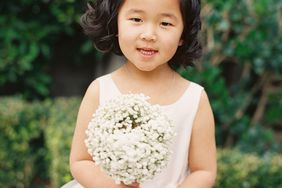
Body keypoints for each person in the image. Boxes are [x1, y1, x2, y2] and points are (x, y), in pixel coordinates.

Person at [63, 0, 217, 187]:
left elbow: (204, 171)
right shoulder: (100, 90)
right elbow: (81, 161)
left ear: (183, 35)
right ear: (116, 23)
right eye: (136, 19)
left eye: (165, 23)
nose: (149, 35)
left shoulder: (194, 99)